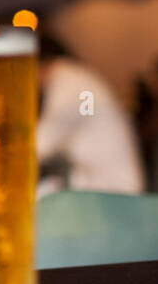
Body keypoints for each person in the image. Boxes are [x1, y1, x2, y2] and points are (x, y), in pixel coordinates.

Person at [35, 33, 146, 196]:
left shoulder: (69, 83)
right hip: (103, 189)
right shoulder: (78, 78)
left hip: (114, 195)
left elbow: (41, 143)